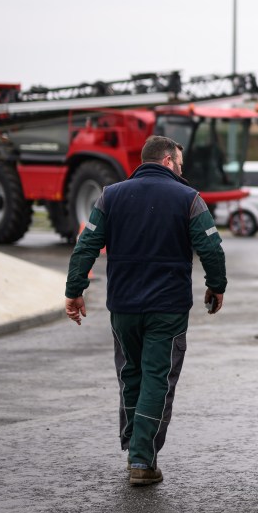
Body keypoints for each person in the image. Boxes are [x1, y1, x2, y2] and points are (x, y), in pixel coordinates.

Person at [64, 135, 227, 487]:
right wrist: (217, 286)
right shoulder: (189, 198)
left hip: (122, 307)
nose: (182, 171)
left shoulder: (111, 195)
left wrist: (74, 291)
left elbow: (86, 245)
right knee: (156, 378)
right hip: (167, 308)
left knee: (131, 375)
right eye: (180, 164)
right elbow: (211, 249)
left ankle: (133, 443)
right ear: (168, 161)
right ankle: (141, 457)